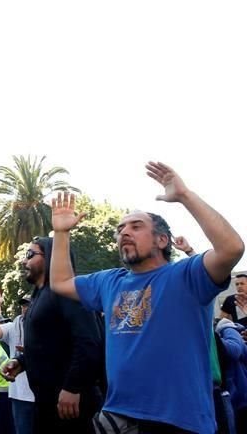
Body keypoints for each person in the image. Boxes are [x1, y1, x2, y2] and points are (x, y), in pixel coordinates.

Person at [49, 162, 246, 434]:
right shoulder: (109, 281)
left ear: (162, 240)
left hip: (181, 422)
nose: (124, 232)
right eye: (120, 229)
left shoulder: (187, 276)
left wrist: (185, 196)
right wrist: (61, 233)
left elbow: (231, 248)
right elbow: (60, 283)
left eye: (136, 226)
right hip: (120, 418)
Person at [1, 236, 104, 434]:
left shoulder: (68, 292)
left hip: (72, 406)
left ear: (51, 257)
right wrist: (22, 362)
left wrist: (73, 387)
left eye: (30, 255)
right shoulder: (39, 296)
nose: (24, 261)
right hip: (46, 403)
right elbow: (52, 344)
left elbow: (89, 341)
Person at [0, 291, 35, 434]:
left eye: (28, 304)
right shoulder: (14, 326)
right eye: (23, 305)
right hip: (20, 396)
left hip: (45, 394)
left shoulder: (49, 326)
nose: (25, 308)